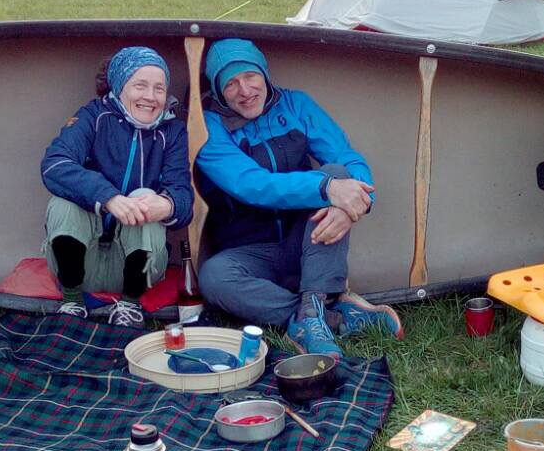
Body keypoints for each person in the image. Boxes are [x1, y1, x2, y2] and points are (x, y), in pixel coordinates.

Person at [193, 37, 403, 356]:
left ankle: (313, 307)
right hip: (251, 253)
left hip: (306, 244)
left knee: (338, 172)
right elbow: (250, 183)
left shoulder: (297, 105)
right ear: (219, 91)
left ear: (264, 74)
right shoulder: (207, 126)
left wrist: (354, 203)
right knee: (213, 277)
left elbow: (347, 157)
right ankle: (323, 317)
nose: (245, 90)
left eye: (250, 76)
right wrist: (325, 189)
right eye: (231, 83)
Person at [39, 46, 193, 326]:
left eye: (159, 88)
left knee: (146, 199)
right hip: (83, 262)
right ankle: (72, 302)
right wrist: (108, 197)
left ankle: (129, 307)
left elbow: (183, 197)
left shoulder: (173, 132)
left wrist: (166, 204)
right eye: (140, 85)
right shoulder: (94, 116)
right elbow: (54, 164)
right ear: (120, 86)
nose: (150, 96)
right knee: (63, 203)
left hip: (137, 268)